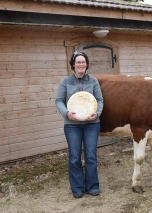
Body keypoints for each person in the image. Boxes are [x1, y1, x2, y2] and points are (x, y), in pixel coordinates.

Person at [55, 52, 104, 198]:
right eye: (78, 62)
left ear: (86, 64)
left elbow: (100, 100)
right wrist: (66, 113)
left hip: (91, 124)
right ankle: (77, 188)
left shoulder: (93, 81)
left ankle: (92, 186)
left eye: (83, 62)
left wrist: (97, 113)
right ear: (73, 65)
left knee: (91, 156)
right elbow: (58, 101)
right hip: (72, 125)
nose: (81, 65)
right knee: (75, 157)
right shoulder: (66, 82)